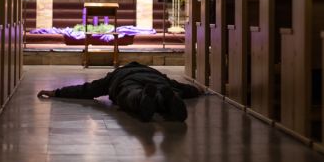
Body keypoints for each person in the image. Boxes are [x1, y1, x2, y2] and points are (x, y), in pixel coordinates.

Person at [37, 62, 202, 122]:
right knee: (165, 89)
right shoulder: (154, 71)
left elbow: (88, 89)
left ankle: (142, 99)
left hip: (126, 81)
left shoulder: (117, 73)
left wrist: (56, 92)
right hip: (155, 78)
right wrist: (197, 90)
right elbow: (180, 86)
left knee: (130, 93)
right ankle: (168, 99)